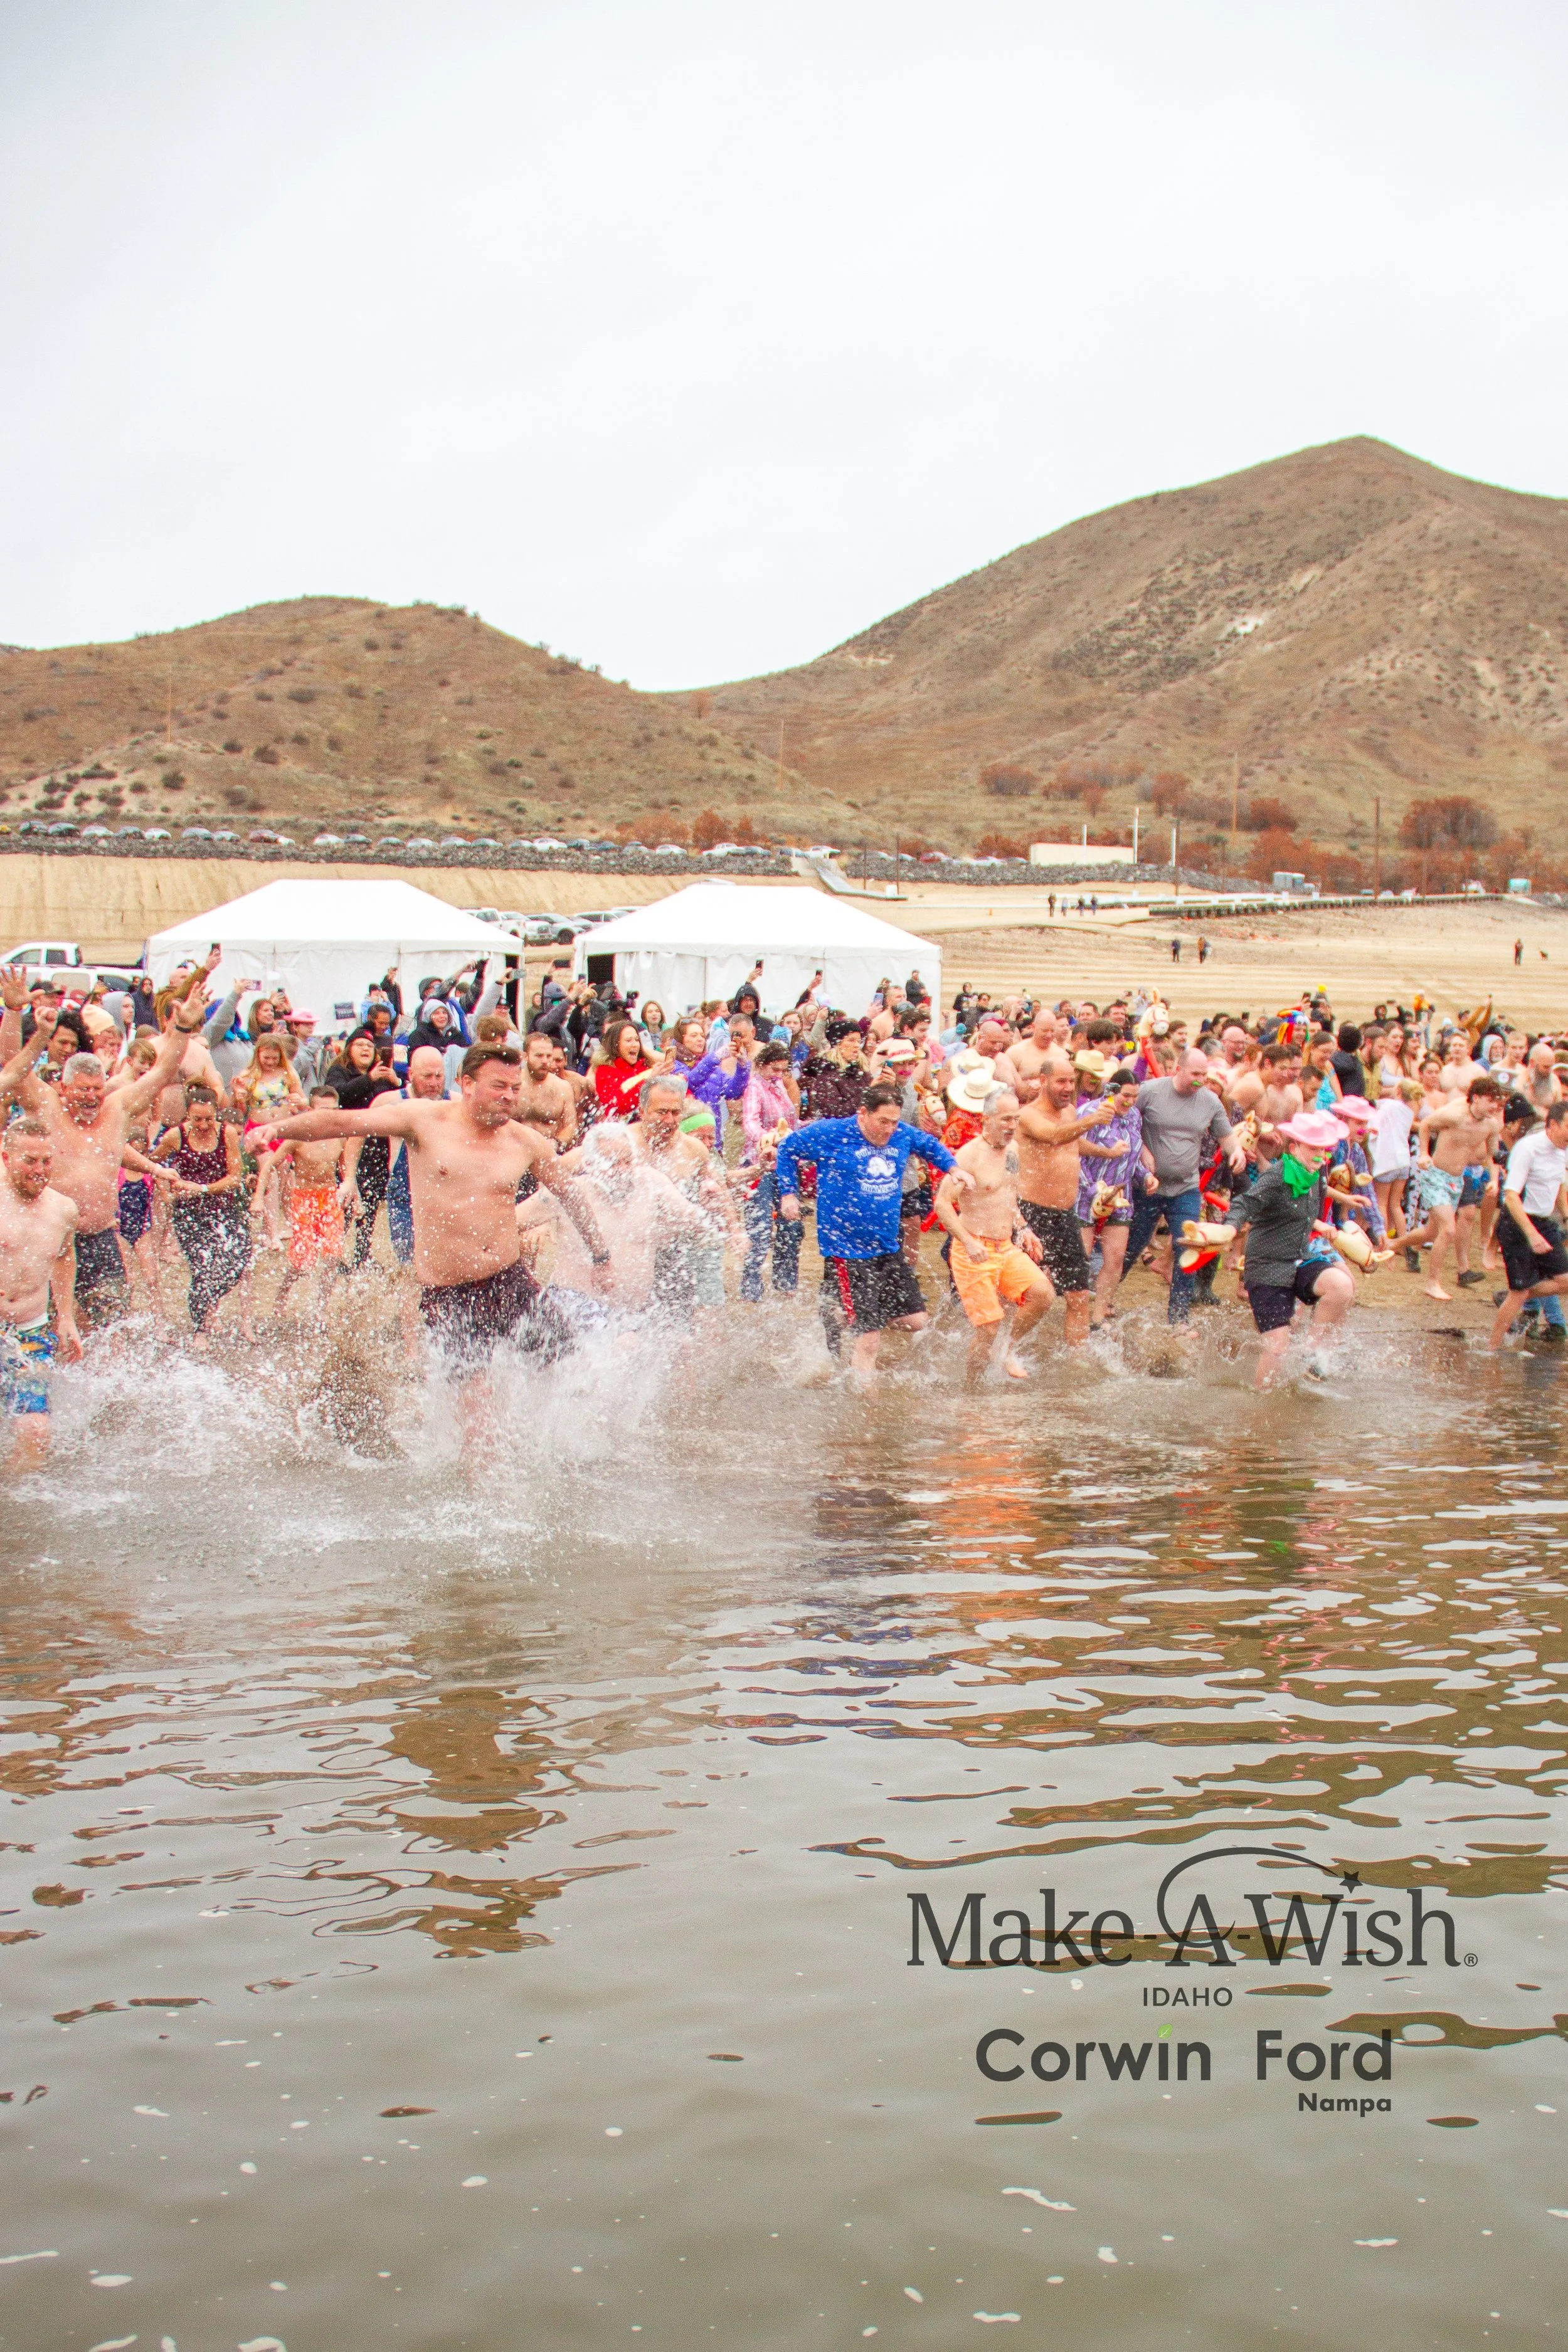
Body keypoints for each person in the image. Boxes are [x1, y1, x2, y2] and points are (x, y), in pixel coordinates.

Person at [252, 1043, 614, 1395]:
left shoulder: (526, 1141)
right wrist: (278, 1130)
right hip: (450, 1293)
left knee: (567, 1374)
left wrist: (601, 1256)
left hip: (509, 1281)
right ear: (467, 1084)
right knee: (477, 1402)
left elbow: (571, 1195)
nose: (509, 1096)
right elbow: (340, 1121)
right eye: (499, 1086)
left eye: (515, 1088)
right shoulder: (424, 1120)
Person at [0, 967, 204, 1330]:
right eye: (82, 1090)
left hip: (100, 1236)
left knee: (112, 1323)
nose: (91, 1097)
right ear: (64, 1089)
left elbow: (162, 1072)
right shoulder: (47, 1106)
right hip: (47, 1233)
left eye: (97, 1089)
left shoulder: (117, 1109)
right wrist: (14, 1012)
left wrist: (184, 1029)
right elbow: (12, 1066)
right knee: (52, 1325)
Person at [774, 1080, 966, 1383]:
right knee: (870, 1339)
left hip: (887, 1245)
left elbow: (930, 1146)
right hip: (847, 1248)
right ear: (863, 1113)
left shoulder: (901, 1134)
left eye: (894, 1122)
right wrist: (789, 1193)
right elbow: (787, 1148)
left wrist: (954, 1169)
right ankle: (865, 1402)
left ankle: (842, 1312)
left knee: (917, 1321)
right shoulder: (833, 1133)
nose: (889, 1129)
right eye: (883, 1122)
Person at [1217, 1109, 1356, 1387]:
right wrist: (1231, 1228)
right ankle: (1260, 1397)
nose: (1319, 1155)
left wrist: (1322, 1225)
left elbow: (1297, 1214)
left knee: (1341, 1286)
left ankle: (1311, 1355)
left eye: (1323, 1149)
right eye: (1313, 1148)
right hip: (1267, 1267)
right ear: (1294, 1148)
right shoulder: (1278, 1175)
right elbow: (1244, 1203)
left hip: (1300, 1257)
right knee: (1278, 1346)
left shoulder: (1315, 1176)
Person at [935, 1086, 1054, 1381]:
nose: (1012, 1126)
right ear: (986, 1119)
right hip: (973, 1250)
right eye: (1005, 1120)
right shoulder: (969, 1156)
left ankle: (1007, 1350)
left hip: (1005, 1246)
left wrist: (1023, 1228)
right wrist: (967, 1241)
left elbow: (1008, 1196)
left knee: (1043, 1294)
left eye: (1016, 1119)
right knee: (988, 1329)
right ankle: (972, 1387)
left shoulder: (1013, 1150)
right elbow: (942, 1204)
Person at [1123, 1048, 1247, 1323]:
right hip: (1149, 1186)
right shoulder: (1150, 1092)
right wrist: (1142, 1150)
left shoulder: (1210, 1101)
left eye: (1204, 1074)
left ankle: (1179, 1316)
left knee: (1190, 1247)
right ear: (1178, 1070)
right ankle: (1105, 1296)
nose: (1200, 1080)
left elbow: (1226, 1136)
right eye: (1195, 1074)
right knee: (1133, 1245)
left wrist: (1236, 1152)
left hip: (1186, 1188)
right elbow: (1126, 1123)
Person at [1014, 1049, 1116, 1344]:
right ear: (1043, 1080)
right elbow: (1054, 1136)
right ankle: (1004, 1347)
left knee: (1079, 1293)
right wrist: (1093, 1120)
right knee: (1024, 1293)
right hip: (1031, 1214)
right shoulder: (1027, 1115)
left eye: (1071, 1081)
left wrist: (1106, 1153)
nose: (1068, 1088)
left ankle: (1077, 1358)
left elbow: (1072, 1142)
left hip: (1064, 1216)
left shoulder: (1069, 1112)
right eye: (1061, 1081)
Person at [0, 1115, 82, 1469]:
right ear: (7, 1158)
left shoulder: (63, 1209)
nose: (40, 1170)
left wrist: (66, 1318)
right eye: (30, 1161)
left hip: (29, 1331)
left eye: (46, 1161)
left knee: (36, 1432)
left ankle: (13, 1491)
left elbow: (64, 1257)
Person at [151, 1084, 255, 1345]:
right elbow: (153, 1164)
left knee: (240, 1259)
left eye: (209, 1119)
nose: (204, 1125)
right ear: (188, 1114)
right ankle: (200, 1330)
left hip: (224, 1208)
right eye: (197, 1119)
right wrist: (167, 1191)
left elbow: (235, 1178)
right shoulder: (176, 1136)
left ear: (217, 1114)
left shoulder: (227, 1134)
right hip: (190, 1214)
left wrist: (203, 1189)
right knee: (202, 1269)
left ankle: (207, 1300)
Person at [1404, 1073, 1504, 1300]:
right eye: (1490, 1100)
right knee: (1448, 1229)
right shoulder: (1455, 1114)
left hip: (1456, 1180)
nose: (1494, 1106)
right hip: (1435, 1175)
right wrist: (1424, 1154)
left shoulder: (1491, 1125)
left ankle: (1395, 1244)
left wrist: (1494, 1180)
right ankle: (1433, 1283)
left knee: (1431, 1232)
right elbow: (1426, 1124)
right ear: (1476, 1098)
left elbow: (1493, 1155)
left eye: (1496, 1101)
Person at [1488, 1099, 1568, 1350]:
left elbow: (1559, 1184)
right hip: (1517, 1222)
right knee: (1520, 1291)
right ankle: (1492, 1349)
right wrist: (1531, 1235)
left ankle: (1514, 1293)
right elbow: (1511, 1196)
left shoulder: (1563, 1150)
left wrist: (1566, 1215)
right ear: (1553, 1125)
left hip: (1544, 1221)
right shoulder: (1528, 1148)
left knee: (1565, 1280)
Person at [327, 1027, 403, 1268]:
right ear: (349, 1049)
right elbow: (339, 1095)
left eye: (370, 1046)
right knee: (346, 1203)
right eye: (360, 1045)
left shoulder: (382, 1074)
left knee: (371, 1203)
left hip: (378, 1146)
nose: (365, 1050)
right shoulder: (340, 1071)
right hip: (347, 1144)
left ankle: (362, 1253)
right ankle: (335, 1252)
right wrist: (369, 1079)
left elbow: (400, 1104)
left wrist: (397, 1083)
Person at [1076, 1061, 1143, 1328]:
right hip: (1086, 1195)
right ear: (1112, 1091)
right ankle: (1078, 1315)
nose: (1130, 1102)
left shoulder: (1134, 1116)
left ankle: (1098, 1317)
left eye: (1135, 1097)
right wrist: (1094, 1190)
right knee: (1081, 1260)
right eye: (1126, 1095)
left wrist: (1145, 1176)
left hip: (1120, 1196)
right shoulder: (1090, 1113)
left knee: (1115, 1260)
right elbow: (1074, 1155)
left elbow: (1131, 1155)